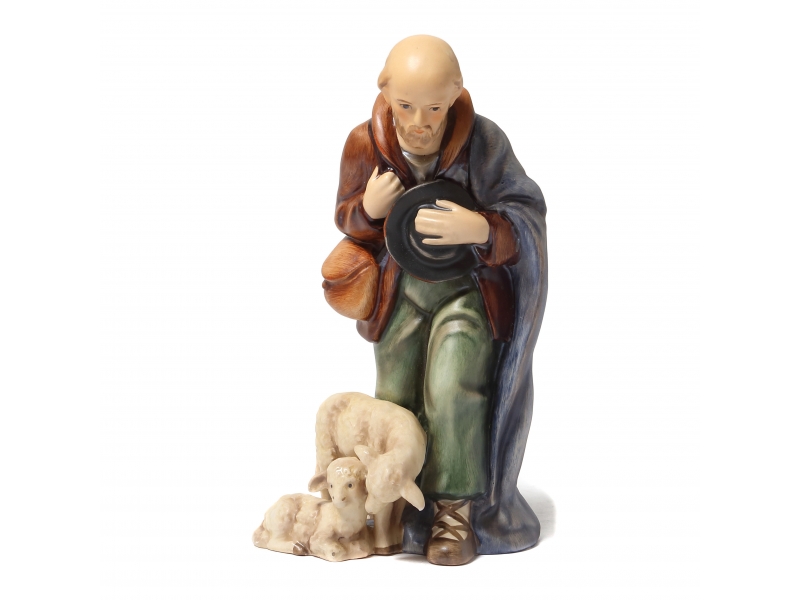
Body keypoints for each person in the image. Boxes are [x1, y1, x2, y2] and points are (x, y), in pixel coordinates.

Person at [330, 35, 548, 565]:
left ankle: (454, 512)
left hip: (466, 291)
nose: (419, 122)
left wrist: (482, 228)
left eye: (433, 107)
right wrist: (368, 208)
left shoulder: (484, 142)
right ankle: (394, 508)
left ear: (456, 93)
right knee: (396, 397)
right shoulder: (364, 142)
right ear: (385, 91)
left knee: (453, 386)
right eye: (406, 106)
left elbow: (525, 210)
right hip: (397, 291)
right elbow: (346, 217)